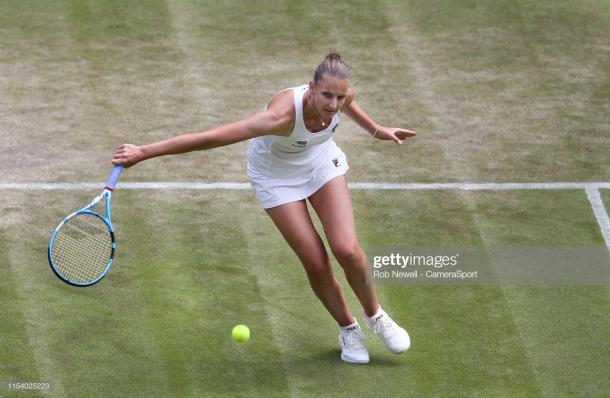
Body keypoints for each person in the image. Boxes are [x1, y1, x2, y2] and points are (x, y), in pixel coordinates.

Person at [112, 51, 416, 364]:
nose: (332, 104)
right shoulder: (280, 117)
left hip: (321, 164)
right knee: (316, 261)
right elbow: (209, 138)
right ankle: (348, 328)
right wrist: (143, 152)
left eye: (338, 97)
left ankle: (375, 316)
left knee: (348, 250)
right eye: (326, 95)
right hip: (275, 177)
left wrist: (377, 130)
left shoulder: (342, 95)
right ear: (311, 87)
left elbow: (350, 105)